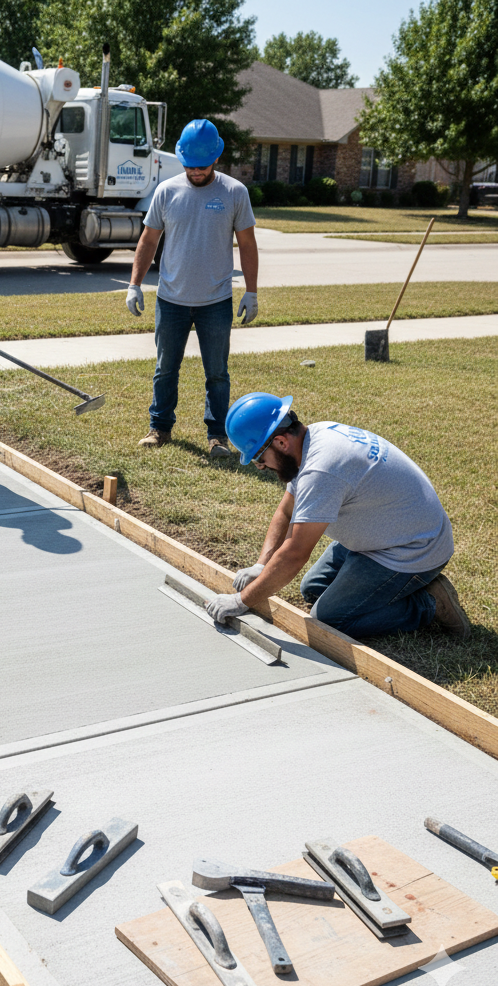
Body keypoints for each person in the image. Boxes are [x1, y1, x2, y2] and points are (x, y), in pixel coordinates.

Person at [204, 392, 470, 639]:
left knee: (330, 620)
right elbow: (286, 510)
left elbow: (295, 554)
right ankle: (405, 589)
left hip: (413, 549)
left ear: (281, 442)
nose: (262, 467)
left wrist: (241, 601)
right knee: (313, 588)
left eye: (259, 460)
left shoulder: (322, 470)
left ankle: (428, 604)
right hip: (392, 531)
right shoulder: (312, 439)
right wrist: (261, 566)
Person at [126, 119, 259, 459]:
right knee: (165, 369)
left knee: (217, 373)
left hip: (216, 300)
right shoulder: (166, 191)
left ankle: (217, 437)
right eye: (190, 165)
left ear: (216, 158)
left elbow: (247, 244)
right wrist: (135, 284)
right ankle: (159, 428)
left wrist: (251, 291)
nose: (195, 171)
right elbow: (149, 240)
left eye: (202, 165)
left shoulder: (234, 193)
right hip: (171, 299)